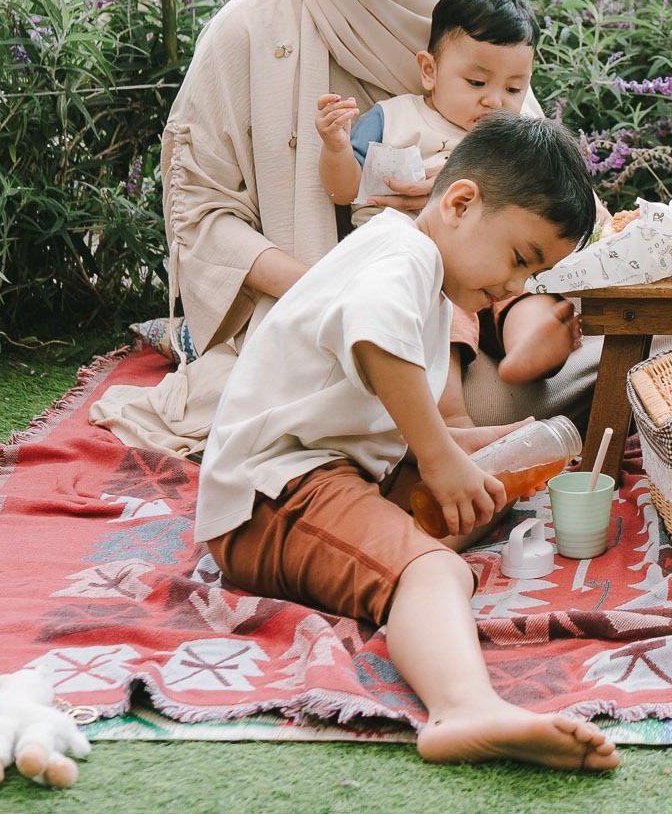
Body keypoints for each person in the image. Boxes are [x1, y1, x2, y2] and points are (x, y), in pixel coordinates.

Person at [91, 0, 595, 455]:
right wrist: (341, 290)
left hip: (473, 310)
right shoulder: (246, 31)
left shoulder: (465, 25)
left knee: (622, 355)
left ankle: (442, 426)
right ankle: (428, 428)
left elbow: (535, 181)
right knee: (341, 389)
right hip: (309, 312)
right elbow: (202, 216)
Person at [196, 113, 617, 771]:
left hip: (327, 473)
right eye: (519, 259)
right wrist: (442, 458)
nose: (516, 288)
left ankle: (398, 560)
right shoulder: (405, 255)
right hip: (272, 495)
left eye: (534, 275)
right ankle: (463, 707)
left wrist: (477, 446)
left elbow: (397, 422)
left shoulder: (419, 272)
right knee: (436, 568)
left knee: (481, 490)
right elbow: (375, 336)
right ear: (460, 203)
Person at [317, 0, 581, 384]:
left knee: (526, 290)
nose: (495, 100)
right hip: (415, 258)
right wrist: (336, 147)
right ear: (430, 70)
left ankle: (529, 342)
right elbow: (344, 191)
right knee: (441, 303)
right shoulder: (395, 119)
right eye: (476, 83)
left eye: (514, 88)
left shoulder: (511, 139)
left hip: (498, 263)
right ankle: (451, 404)